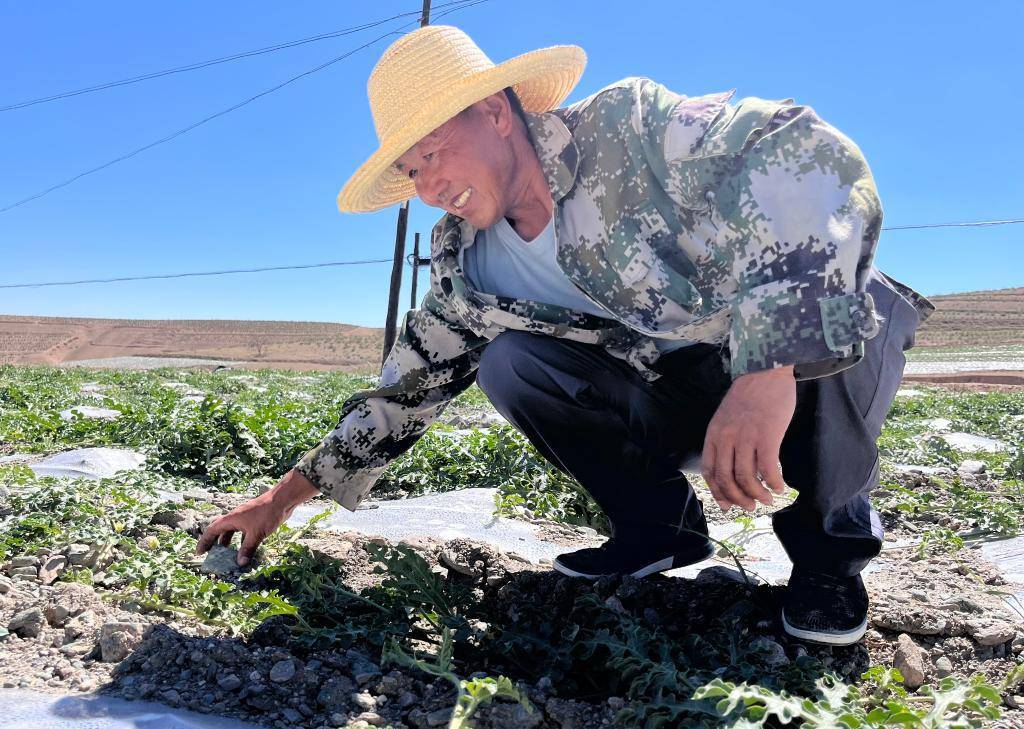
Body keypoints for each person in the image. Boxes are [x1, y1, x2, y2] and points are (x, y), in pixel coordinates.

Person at [198, 25, 934, 646]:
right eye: (410, 170)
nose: (425, 187)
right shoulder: (471, 269)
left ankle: (829, 569)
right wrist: (279, 500)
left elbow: (798, 147)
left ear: (492, 111)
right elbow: (402, 394)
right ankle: (660, 532)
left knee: (840, 292)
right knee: (509, 362)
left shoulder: (631, 130)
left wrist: (769, 363)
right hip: (679, 397)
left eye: (432, 152)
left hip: (794, 377)